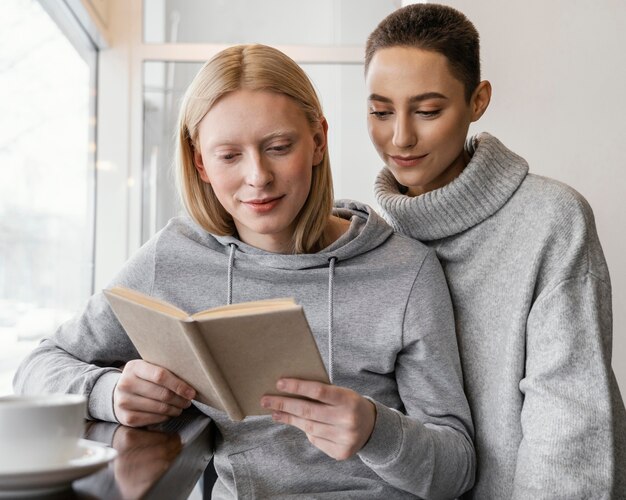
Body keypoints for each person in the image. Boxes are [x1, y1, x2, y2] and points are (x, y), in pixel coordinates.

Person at [15, 44, 475, 499]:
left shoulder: (405, 269)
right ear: (201, 163)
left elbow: (457, 468)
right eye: (229, 156)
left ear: (318, 141)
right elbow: (38, 366)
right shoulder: (172, 260)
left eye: (278, 147)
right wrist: (108, 392)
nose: (257, 176)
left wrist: (377, 431)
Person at [365, 4, 626, 499]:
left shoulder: (551, 219)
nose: (399, 137)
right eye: (380, 111)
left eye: (427, 110)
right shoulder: (368, 238)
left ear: (478, 100)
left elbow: (571, 430)